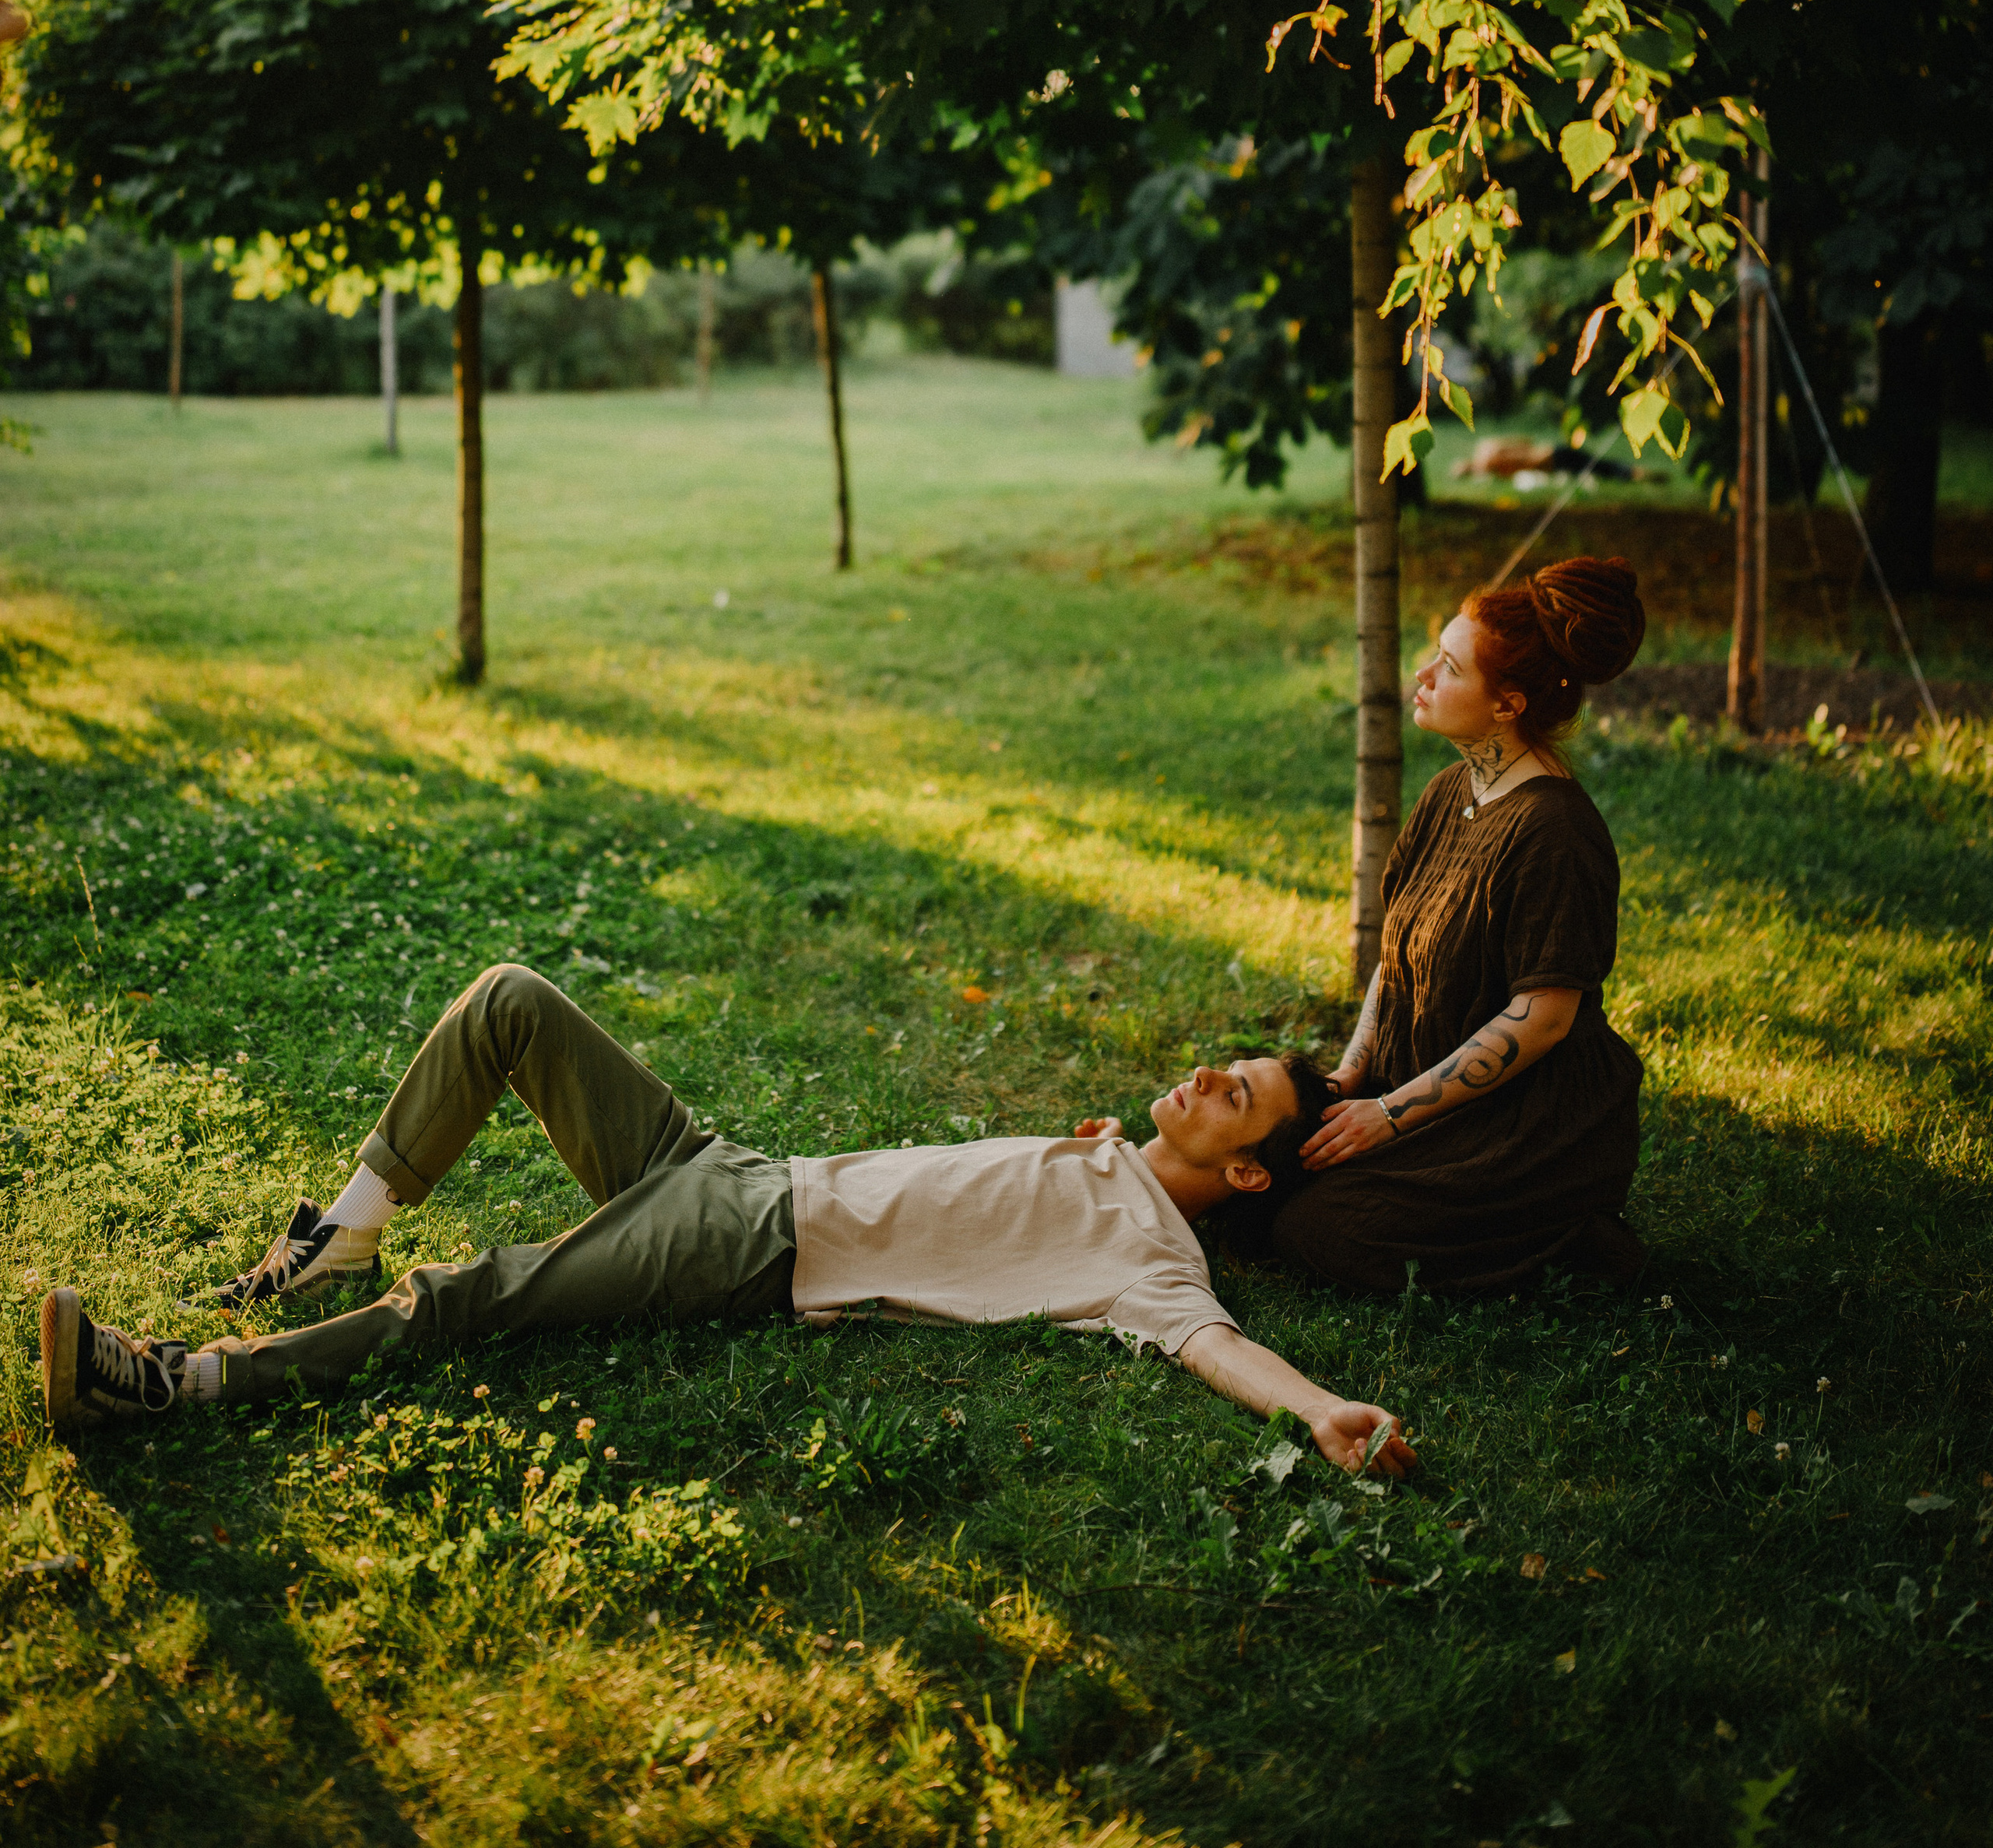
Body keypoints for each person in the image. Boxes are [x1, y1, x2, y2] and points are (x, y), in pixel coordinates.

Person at [40, 961, 1416, 1477]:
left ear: (1247, 1176)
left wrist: (1319, 1411)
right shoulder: (1111, 1150)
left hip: (748, 1248)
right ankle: (345, 1225)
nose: (1207, 1074)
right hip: (729, 1170)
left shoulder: (1148, 1258)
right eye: (1223, 1065)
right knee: (511, 998)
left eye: (1236, 1095)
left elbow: (1218, 1345)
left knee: (474, 1299)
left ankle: (175, 1385)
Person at [1264, 554, 1648, 1297]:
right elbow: (1398, 953)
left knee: (1323, 1228)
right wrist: (1353, 1076)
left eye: (1448, 666)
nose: (1423, 675)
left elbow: (1543, 1019)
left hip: (1528, 1126)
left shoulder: (1555, 831)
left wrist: (1391, 1117)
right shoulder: (1453, 788)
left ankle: (1574, 1240)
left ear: (1507, 703)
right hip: (1421, 1090)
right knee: (1279, 1167)